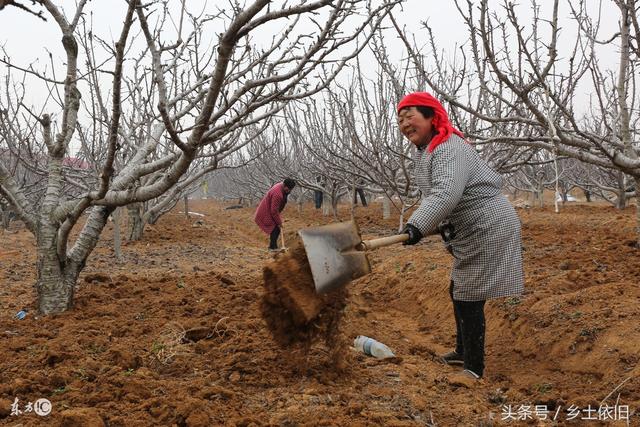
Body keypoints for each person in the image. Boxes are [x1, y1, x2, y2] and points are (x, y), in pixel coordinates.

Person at [397, 92, 524, 380]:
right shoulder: (429, 150)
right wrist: (416, 228)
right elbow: (438, 198)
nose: (404, 124)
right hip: (472, 227)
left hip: (487, 225)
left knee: (468, 295)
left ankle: (473, 367)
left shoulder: (449, 146)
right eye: (400, 119)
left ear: (431, 116)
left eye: (410, 116)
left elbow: (446, 193)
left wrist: (417, 224)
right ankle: (462, 350)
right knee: (459, 289)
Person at [254, 178, 296, 252]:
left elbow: (276, 208)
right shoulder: (278, 194)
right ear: (285, 186)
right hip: (266, 212)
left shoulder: (281, 185)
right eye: (289, 189)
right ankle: (272, 248)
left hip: (268, 209)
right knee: (275, 228)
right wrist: (279, 222)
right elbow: (274, 211)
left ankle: (273, 247)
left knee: (276, 228)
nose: (290, 191)